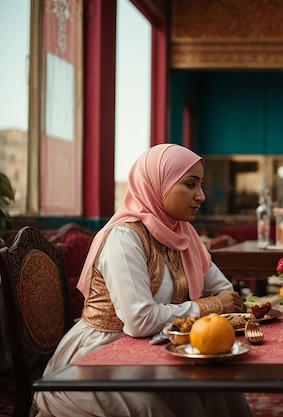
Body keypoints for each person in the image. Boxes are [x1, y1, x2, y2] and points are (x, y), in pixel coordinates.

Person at [35, 144, 252, 417]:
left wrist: (216, 303)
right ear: (157, 185)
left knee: (219, 388)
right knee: (151, 407)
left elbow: (223, 291)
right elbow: (139, 320)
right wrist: (209, 307)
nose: (201, 196)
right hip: (100, 352)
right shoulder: (124, 238)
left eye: (201, 185)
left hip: (156, 348)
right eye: (190, 184)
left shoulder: (183, 235)